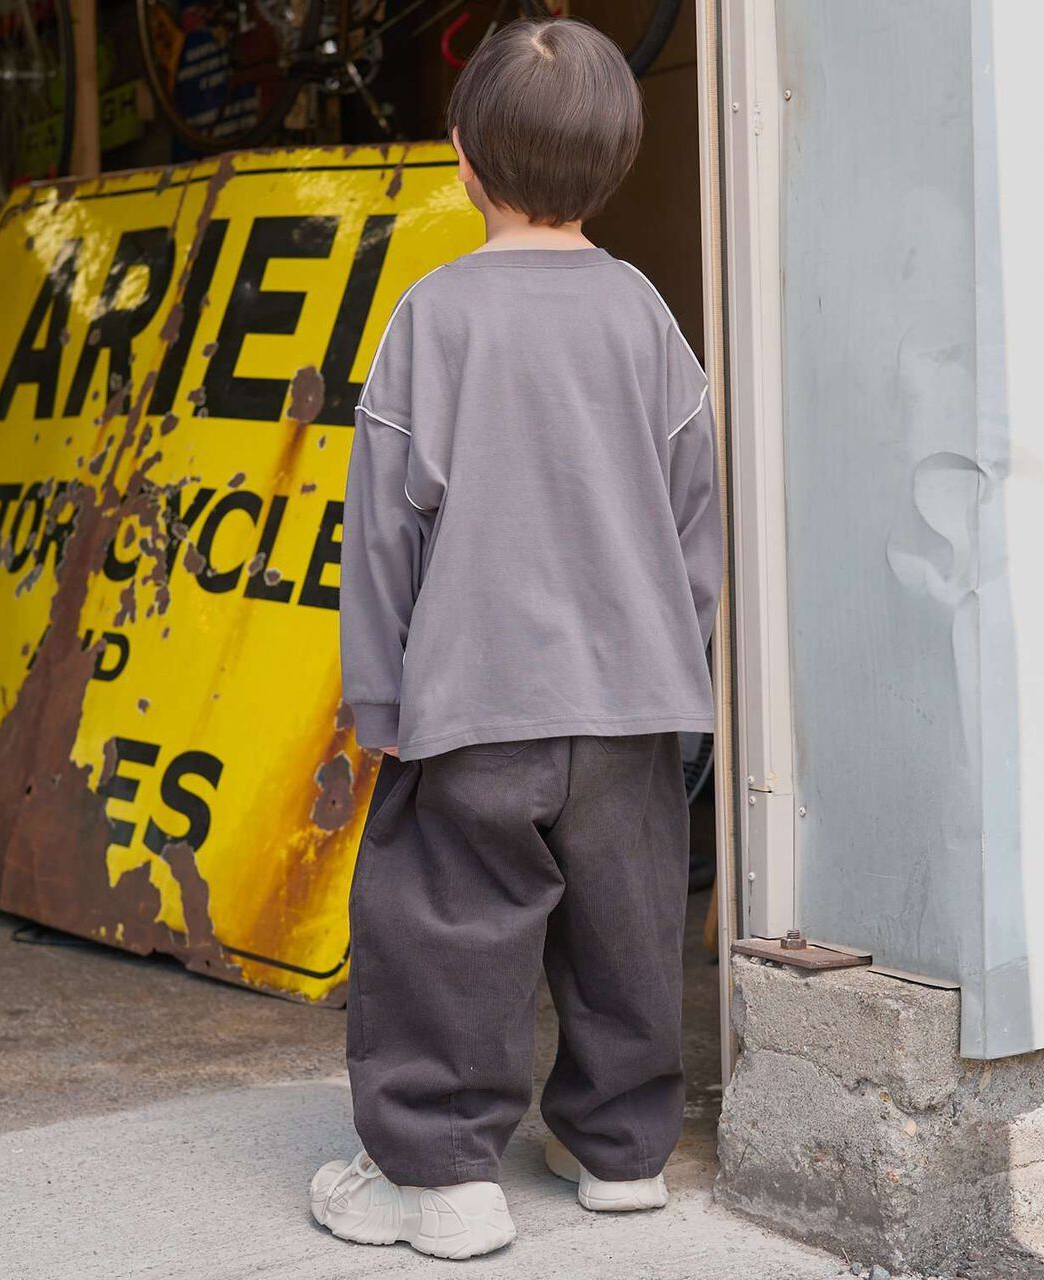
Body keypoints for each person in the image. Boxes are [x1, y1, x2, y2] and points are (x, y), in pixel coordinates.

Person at [312, 16, 722, 1260]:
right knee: (625, 927)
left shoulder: (431, 318)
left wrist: (380, 701)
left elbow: (383, 530)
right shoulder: (646, 316)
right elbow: (693, 516)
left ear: (461, 155)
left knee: (445, 929)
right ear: (617, 161)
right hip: (635, 704)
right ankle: (618, 1151)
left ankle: (439, 1178)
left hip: (474, 703)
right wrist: (683, 674)